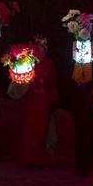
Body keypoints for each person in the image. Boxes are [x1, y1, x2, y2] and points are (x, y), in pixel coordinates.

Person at [18, 36, 58, 166]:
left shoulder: (49, 63)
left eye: (43, 47)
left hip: (43, 101)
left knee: (41, 129)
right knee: (29, 127)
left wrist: (53, 99)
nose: (41, 49)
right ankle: (27, 157)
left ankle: (38, 157)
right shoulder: (28, 62)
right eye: (38, 47)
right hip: (30, 99)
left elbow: (52, 83)